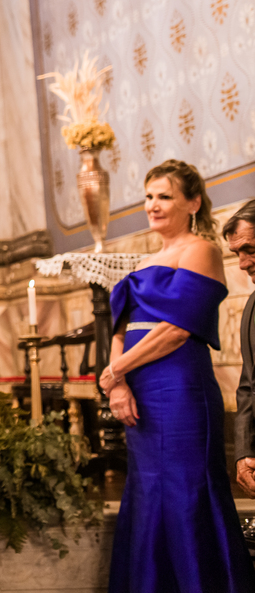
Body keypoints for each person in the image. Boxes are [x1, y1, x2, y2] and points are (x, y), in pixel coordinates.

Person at [99, 162, 255, 593]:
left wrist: (115, 372)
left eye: (165, 196)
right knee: (147, 492)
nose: (153, 205)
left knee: (187, 491)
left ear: (193, 203)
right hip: (138, 393)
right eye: (149, 196)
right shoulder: (142, 263)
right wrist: (119, 385)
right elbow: (118, 330)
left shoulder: (200, 249)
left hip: (180, 387)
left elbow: (176, 330)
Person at [229, 200, 255, 497]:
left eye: (250, 249)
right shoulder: (251, 306)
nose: (243, 263)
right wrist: (244, 453)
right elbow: (248, 386)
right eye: (237, 253)